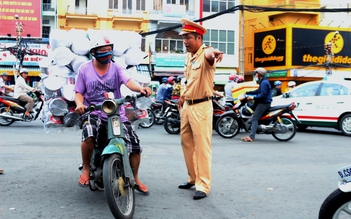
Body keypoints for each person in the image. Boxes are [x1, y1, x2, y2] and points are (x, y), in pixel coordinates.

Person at [74, 36, 151, 194]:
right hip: (93, 111)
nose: (107, 54)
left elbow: (128, 81)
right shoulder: (84, 69)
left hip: (115, 111)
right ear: (93, 52)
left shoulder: (117, 68)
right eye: (102, 51)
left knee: (135, 146)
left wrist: (140, 89)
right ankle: (87, 169)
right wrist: (80, 104)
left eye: (109, 50)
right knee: (89, 134)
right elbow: (78, 93)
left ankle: (135, 178)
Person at [177, 18, 224, 200]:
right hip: (188, 106)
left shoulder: (205, 53)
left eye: (188, 37)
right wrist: (182, 96)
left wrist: (215, 52)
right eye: (183, 38)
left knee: (202, 147)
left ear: (198, 38)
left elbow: (210, 54)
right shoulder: (189, 56)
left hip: (202, 106)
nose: (185, 42)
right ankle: (193, 177)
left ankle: (203, 185)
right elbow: (189, 79)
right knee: (186, 143)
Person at [241, 67, 272, 142]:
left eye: (256, 73)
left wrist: (252, 98)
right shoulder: (263, 81)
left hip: (264, 103)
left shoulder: (264, 82)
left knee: (255, 119)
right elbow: (258, 91)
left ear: (259, 74)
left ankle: (251, 137)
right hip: (261, 102)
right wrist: (248, 92)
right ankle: (255, 127)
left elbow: (263, 95)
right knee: (251, 108)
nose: (255, 75)